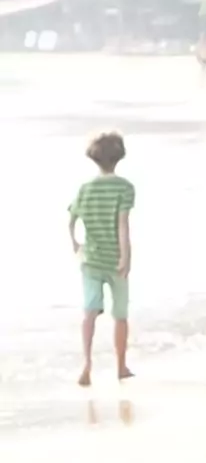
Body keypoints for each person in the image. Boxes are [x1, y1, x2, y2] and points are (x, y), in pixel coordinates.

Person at [67, 132, 136, 387]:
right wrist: (125, 258)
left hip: (91, 260)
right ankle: (120, 366)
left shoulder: (86, 188)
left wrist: (75, 243)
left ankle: (86, 364)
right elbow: (122, 225)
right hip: (114, 260)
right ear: (119, 156)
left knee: (89, 311)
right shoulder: (125, 187)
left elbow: (71, 219)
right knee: (120, 315)